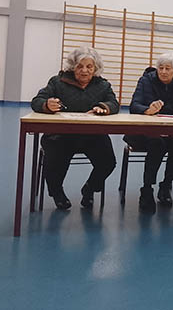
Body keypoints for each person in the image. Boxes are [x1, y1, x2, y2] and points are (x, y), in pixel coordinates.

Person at [31, 47, 119, 210]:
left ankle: (89, 188)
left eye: (89, 67)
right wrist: (47, 105)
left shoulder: (103, 85)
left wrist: (103, 107)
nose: (84, 70)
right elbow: (37, 100)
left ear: (95, 68)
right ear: (73, 67)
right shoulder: (57, 82)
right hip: (61, 135)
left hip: (92, 135)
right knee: (54, 159)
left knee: (108, 162)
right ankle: (57, 192)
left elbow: (114, 103)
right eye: (80, 66)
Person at [127, 53, 173, 213]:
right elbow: (134, 106)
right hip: (144, 132)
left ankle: (166, 185)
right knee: (157, 144)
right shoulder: (145, 81)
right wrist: (147, 110)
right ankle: (147, 189)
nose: (163, 71)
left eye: (167, 68)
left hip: (170, 133)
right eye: (160, 68)